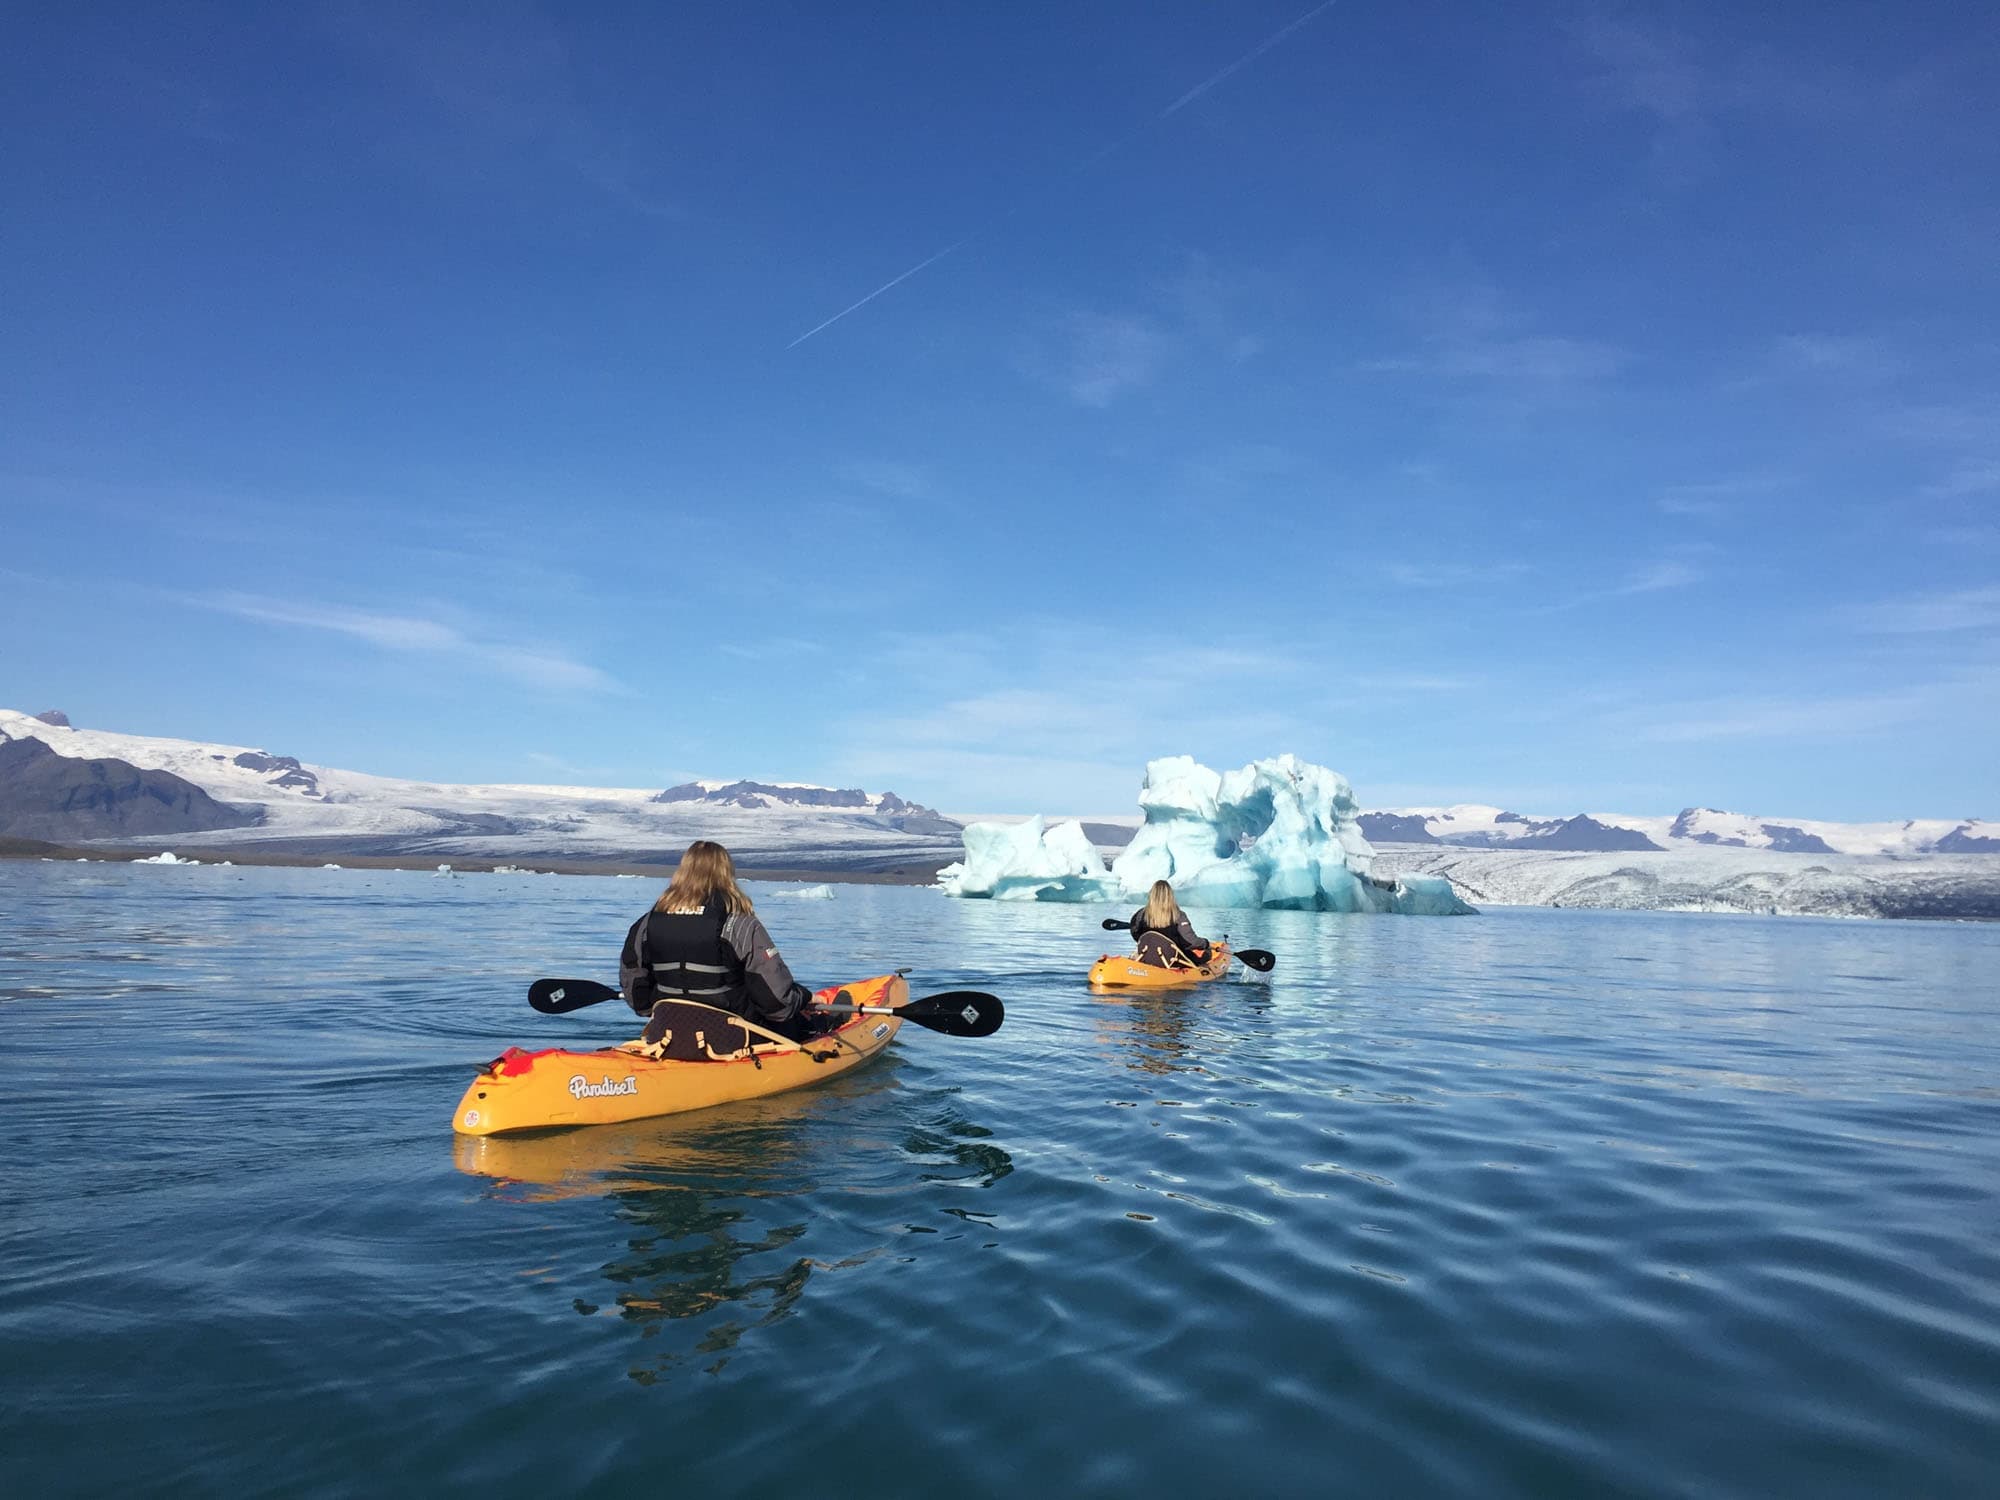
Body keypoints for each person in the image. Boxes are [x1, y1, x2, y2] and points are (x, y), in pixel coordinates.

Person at [618, 840, 819, 1042]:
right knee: (803, 1022)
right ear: (726, 873)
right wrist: (803, 998)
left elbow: (636, 992)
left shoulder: (646, 923)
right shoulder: (739, 925)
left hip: (669, 1033)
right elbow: (777, 1004)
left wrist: (650, 1007)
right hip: (732, 1036)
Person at [1127, 879, 1212, 969]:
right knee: (1206, 956)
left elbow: (1136, 934)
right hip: (1175, 960)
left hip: (1148, 958)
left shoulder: (1141, 914)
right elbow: (1190, 942)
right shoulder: (1178, 915)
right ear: (1170, 896)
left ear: (1152, 895)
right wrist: (1205, 943)